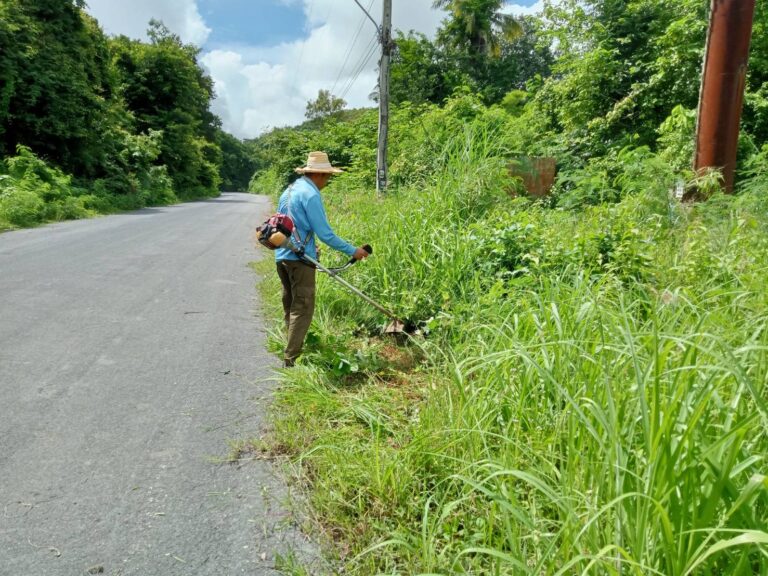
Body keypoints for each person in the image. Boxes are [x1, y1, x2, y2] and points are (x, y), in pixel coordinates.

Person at [275, 151, 369, 367]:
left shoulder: (289, 190)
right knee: (303, 307)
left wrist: (308, 244)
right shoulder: (311, 194)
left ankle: (288, 347)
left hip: (282, 255)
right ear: (318, 174)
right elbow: (326, 234)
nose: (327, 181)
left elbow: (285, 224)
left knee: (290, 303)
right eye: (327, 177)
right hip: (299, 260)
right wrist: (352, 251)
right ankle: (291, 361)